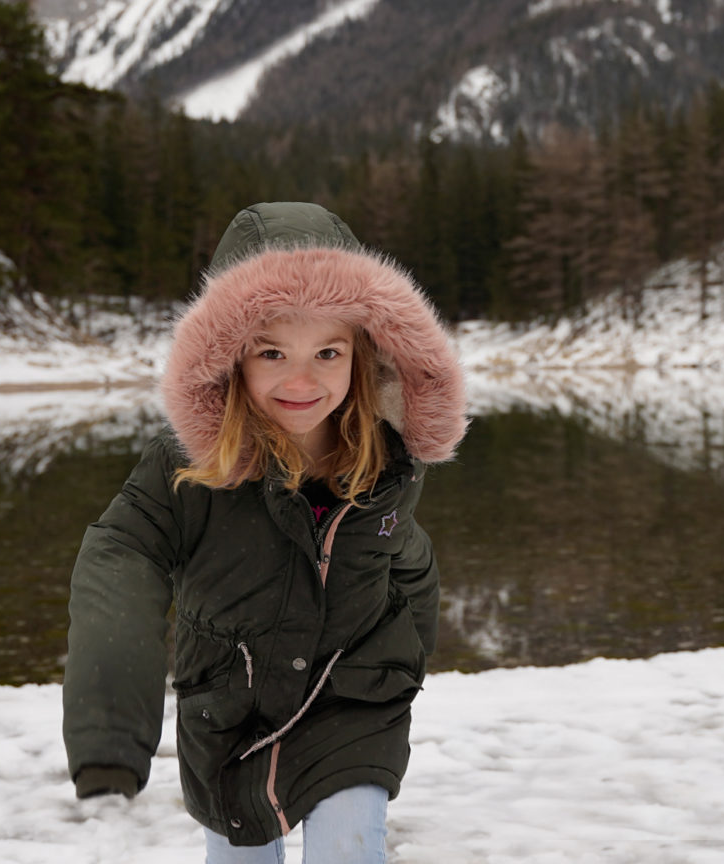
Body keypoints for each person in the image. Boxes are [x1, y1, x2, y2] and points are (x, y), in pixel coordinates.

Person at [63, 202, 467, 862]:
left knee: (348, 846)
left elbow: (407, 557)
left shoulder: (386, 459)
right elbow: (120, 559)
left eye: (327, 351)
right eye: (272, 351)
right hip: (230, 717)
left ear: (362, 355)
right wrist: (110, 733)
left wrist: (407, 660)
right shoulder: (186, 471)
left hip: (353, 705)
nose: (301, 380)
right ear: (229, 360)